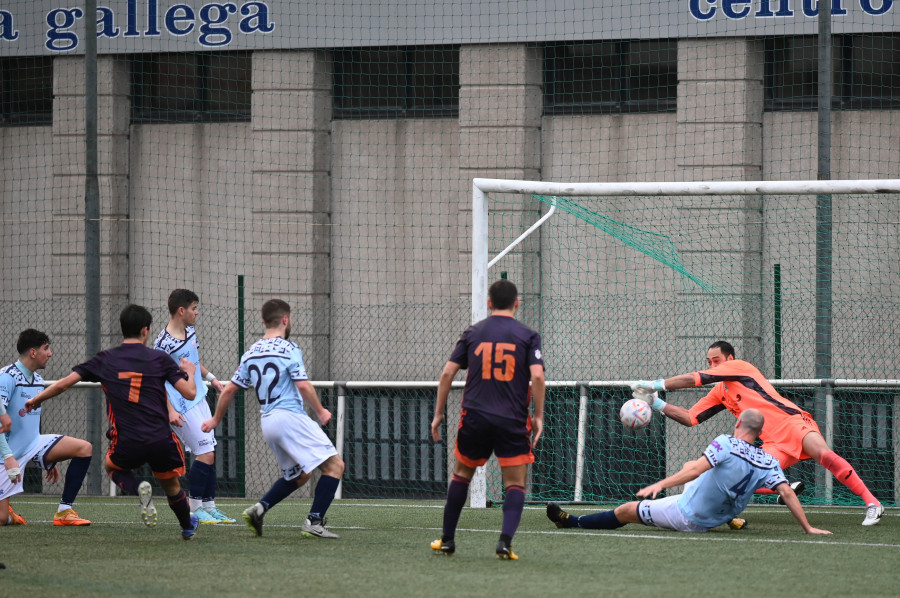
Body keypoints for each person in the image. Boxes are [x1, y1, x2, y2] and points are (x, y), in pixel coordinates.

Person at [632, 340, 883, 526]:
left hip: (791, 422)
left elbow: (694, 379)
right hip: (773, 441)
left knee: (824, 455)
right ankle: (785, 488)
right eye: (709, 362)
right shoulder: (720, 391)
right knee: (742, 477)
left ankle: (872, 503)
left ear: (730, 359)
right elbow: (690, 418)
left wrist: (657, 384)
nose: (712, 365)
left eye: (716, 360)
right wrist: (656, 403)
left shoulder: (740, 367)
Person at [25, 305, 202, 540]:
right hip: (160, 437)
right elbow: (190, 393)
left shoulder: (106, 359)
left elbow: (64, 383)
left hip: (127, 439)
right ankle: (187, 526)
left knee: (113, 466)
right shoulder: (159, 359)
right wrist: (189, 371)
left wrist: (37, 399)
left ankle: (137, 488)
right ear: (145, 330)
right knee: (171, 486)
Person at [547, 409, 831, 535]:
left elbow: (696, 471)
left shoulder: (725, 442)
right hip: (721, 513)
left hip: (689, 516)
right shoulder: (768, 460)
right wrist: (808, 528)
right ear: (759, 432)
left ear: (738, 424)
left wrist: (660, 484)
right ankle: (731, 519)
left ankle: (571, 522)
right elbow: (787, 494)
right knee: (697, 468)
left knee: (626, 510)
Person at [202, 299, 344, 539]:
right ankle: (314, 521)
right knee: (334, 466)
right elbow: (303, 385)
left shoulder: (250, 353)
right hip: (290, 417)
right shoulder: (289, 348)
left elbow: (227, 391)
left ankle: (259, 509)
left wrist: (215, 420)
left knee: (300, 475)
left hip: (268, 421)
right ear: (286, 320)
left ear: (264, 321)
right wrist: (320, 411)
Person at [430, 279, 545, 560]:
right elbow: (538, 376)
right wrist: (539, 416)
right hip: (512, 420)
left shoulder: (473, 332)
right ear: (517, 303)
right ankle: (505, 543)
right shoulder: (529, 336)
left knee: (461, 475)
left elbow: (447, 373)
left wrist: (439, 413)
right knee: (515, 484)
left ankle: (447, 540)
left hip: (476, 416)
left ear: (489, 303)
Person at [154, 289, 234, 524]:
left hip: (198, 399)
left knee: (209, 451)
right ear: (181, 310)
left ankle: (209, 507)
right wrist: (170, 410)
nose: (196, 313)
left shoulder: (190, 332)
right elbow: (156, 380)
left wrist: (211, 378)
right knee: (204, 453)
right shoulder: (163, 344)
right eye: (194, 308)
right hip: (180, 405)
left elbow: (195, 362)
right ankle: (195, 508)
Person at [0, 329, 93, 527]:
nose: (50, 353)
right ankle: (6, 512)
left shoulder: (38, 381)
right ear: (33, 352)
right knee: (1, 520)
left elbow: (29, 424)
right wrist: (8, 457)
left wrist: (49, 456)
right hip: (7, 454)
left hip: (33, 445)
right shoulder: (7, 377)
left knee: (84, 448)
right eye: (46, 348)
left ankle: (64, 512)